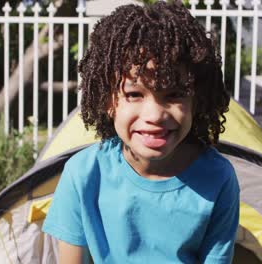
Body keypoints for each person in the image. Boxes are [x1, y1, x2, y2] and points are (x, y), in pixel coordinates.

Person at [42, 1, 239, 263]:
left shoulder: (219, 179)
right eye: (134, 94)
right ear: (108, 102)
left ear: (197, 100)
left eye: (175, 94)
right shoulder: (83, 175)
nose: (155, 115)